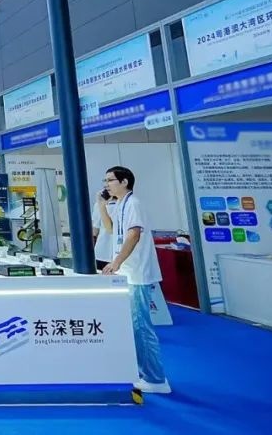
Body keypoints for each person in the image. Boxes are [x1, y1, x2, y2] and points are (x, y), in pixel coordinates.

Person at [100, 166, 171, 395]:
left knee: (141, 325)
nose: (107, 184)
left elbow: (133, 234)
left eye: (110, 180)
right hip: (127, 272)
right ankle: (144, 372)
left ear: (124, 182)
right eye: (105, 181)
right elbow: (111, 229)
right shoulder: (121, 204)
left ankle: (155, 379)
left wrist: (117, 262)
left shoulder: (134, 204)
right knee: (134, 325)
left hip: (136, 272)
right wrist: (102, 204)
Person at [91, 186, 118, 270]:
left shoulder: (99, 205)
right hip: (118, 254)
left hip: (101, 252)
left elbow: (95, 231)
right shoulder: (124, 205)